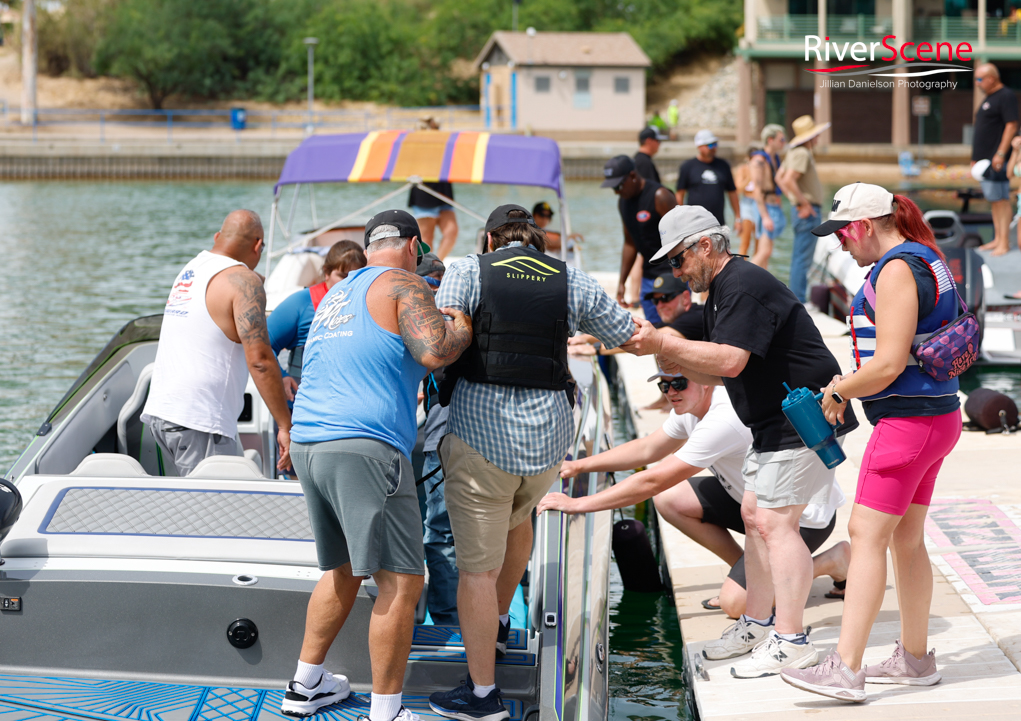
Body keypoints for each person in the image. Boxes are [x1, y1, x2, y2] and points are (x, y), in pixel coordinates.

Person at [621, 205, 859, 678]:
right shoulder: (720, 291)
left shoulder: (742, 284)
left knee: (775, 524)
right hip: (772, 424)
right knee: (754, 516)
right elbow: (723, 371)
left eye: (678, 259)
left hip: (802, 419)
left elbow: (729, 361)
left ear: (706, 245)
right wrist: (671, 358)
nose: (676, 271)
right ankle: (757, 622)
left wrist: (663, 343)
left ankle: (791, 640)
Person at [428, 205, 637, 721]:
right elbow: (621, 333)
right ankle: (499, 624)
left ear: (490, 239)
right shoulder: (571, 278)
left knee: (476, 570)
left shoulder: (468, 271)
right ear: (537, 241)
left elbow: (441, 339)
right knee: (519, 518)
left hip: (482, 438)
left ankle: (482, 696)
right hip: (546, 445)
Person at [282, 210, 472, 719]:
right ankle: (386, 711)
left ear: (368, 249)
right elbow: (435, 351)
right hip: (366, 447)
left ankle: (305, 685)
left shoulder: (338, 292)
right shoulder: (405, 283)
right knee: (403, 580)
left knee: (342, 569)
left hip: (309, 442)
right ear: (413, 246)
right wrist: (461, 323)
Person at [781, 185, 964, 702]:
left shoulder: (897, 269)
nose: (839, 243)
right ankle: (915, 659)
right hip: (937, 418)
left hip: (907, 425)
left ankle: (846, 668)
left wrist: (838, 390)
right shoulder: (926, 257)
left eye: (842, 233)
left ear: (862, 225)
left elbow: (887, 364)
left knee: (864, 535)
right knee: (906, 538)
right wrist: (850, 383)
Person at [536, 370, 848, 618]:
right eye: (664, 385)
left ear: (704, 380)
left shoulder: (723, 419)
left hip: (802, 517)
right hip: (753, 504)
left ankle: (831, 561)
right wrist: (578, 466)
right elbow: (647, 449)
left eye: (679, 383)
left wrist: (577, 504)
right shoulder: (691, 406)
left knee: (736, 605)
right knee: (670, 499)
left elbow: (652, 480)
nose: (671, 392)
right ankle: (752, 574)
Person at [141, 210, 292, 477]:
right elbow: (260, 360)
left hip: (163, 415)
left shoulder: (192, 269)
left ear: (217, 237)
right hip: (200, 421)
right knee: (214, 503)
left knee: (200, 500)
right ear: (258, 244)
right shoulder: (244, 282)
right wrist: (284, 426)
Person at [416, 252, 459, 626]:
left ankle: (447, 619)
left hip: (443, 442)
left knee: (441, 533)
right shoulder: (466, 319)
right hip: (479, 440)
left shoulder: (426, 325)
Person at [269, 240, 366, 397]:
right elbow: (262, 345)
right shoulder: (301, 303)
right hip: (302, 406)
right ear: (326, 272)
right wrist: (281, 376)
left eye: (356, 276)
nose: (349, 283)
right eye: (342, 276)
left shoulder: (368, 306)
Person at [603, 155, 678, 325]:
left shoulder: (660, 196)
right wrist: (622, 282)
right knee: (653, 329)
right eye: (613, 188)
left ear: (633, 176)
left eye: (618, 186)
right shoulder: (623, 203)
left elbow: (683, 238)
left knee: (675, 330)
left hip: (672, 273)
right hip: (648, 277)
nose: (616, 192)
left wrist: (681, 275)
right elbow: (630, 243)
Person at [776, 115, 830, 303]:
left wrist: (795, 201)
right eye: (816, 135)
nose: (818, 138)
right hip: (807, 211)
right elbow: (788, 179)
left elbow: (779, 178)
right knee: (803, 258)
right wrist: (803, 203)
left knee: (799, 256)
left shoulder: (793, 152)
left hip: (802, 211)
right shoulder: (802, 153)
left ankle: (796, 296)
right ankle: (799, 299)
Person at [971, 63, 1019, 256]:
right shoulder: (989, 98)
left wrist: (1000, 153)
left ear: (991, 78)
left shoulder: (1005, 96)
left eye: (979, 79)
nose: (977, 83)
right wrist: (975, 158)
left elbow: (1011, 125)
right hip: (984, 161)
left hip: (996, 160)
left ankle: (1004, 242)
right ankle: (998, 238)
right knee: (993, 200)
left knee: (1001, 199)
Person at [676, 129, 740, 227]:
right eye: (709, 145)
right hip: (694, 223)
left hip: (718, 223)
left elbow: (732, 192)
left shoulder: (723, 165)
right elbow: (680, 194)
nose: (713, 148)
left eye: (715, 144)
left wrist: (738, 218)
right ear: (699, 146)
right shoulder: (687, 166)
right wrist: (680, 219)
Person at [749, 124, 787, 270]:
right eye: (781, 139)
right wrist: (765, 216)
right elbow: (757, 190)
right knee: (765, 251)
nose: (783, 143)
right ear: (770, 140)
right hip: (764, 207)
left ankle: (759, 281)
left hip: (773, 205)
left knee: (766, 252)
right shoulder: (759, 160)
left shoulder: (775, 158)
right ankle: (742, 278)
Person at [733, 147, 758, 256]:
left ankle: (756, 265)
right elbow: (738, 189)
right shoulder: (743, 169)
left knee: (759, 244)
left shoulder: (762, 169)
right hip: (747, 204)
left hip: (759, 204)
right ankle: (742, 264)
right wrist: (750, 176)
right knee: (745, 242)